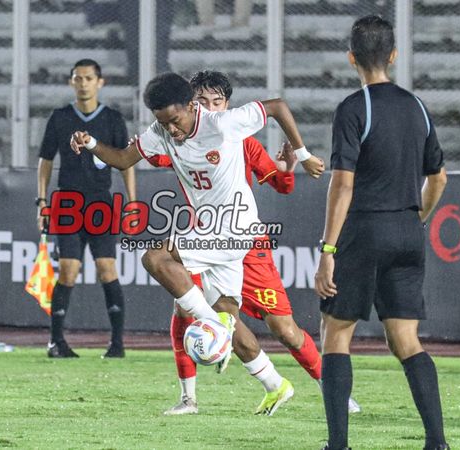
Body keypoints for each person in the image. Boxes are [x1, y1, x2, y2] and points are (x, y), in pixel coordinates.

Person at [70, 72, 307, 415]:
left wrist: (303, 152)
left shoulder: (223, 123)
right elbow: (123, 159)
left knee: (154, 258)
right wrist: (91, 143)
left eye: (175, 120)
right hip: (212, 232)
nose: (172, 129)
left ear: (191, 106)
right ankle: (275, 384)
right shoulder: (162, 132)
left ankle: (211, 326)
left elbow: (278, 107)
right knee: (230, 320)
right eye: (163, 122)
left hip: (235, 228)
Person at [162, 70, 358, 416]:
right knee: (183, 311)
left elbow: (281, 184)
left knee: (285, 330)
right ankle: (188, 399)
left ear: (227, 105)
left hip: (246, 245)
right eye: (202, 102)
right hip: (203, 241)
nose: (210, 108)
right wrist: (100, 154)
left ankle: (335, 393)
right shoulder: (179, 137)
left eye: (217, 102)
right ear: (191, 106)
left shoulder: (242, 141)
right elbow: (146, 152)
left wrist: (288, 164)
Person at [313, 16, 449, 450]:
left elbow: (343, 183)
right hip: (408, 229)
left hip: (364, 230)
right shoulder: (418, 107)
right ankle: (437, 442)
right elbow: (440, 178)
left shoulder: (354, 108)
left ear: (351, 58)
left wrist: (328, 248)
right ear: (393, 55)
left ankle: (337, 445)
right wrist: (417, 219)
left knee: (336, 332)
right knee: (406, 339)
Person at [37, 59, 136, 359]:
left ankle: (117, 344)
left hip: (99, 203)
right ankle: (57, 342)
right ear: (71, 82)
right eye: (78, 78)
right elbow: (45, 160)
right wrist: (41, 200)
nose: (83, 83)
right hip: (67, 203)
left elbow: (125, 161)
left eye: (88, 78)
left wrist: (132, 201)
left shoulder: (113, 120)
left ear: (100, 82)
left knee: (107, 269)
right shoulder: (60, 117)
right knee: (68, 271)